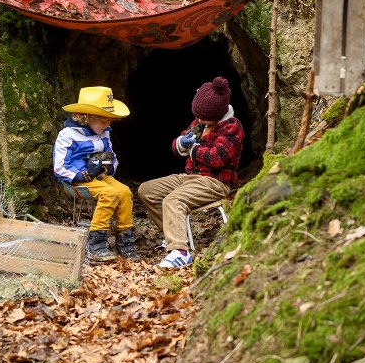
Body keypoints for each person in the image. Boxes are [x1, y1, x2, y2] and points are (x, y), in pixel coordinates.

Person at [138, 76, 244, 268]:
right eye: (198, 116)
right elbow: (178, 143)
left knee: (173, 200)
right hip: (189, 178)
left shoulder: (232, 127)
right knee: (147, 190)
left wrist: (192, 149)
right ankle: (174, 235)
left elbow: (217, 158)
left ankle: (180, 251)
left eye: (203, 117)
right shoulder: (201, 120)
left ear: (218, 114)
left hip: (215, 182)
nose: (199, 119)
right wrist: (181, 143)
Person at [53, 86, 139, 264]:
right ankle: (96, 243)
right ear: (86, 118)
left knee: (124, 192)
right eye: (103, 121)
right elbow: (59, 166)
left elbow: (112, 157)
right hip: (76, 181)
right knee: (110, 194)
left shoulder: (105, 133)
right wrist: (80, 175)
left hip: (100, 177)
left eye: (109, 121)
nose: (108, 125)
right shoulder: (67, 135)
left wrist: (108, 168)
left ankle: (125, 241)